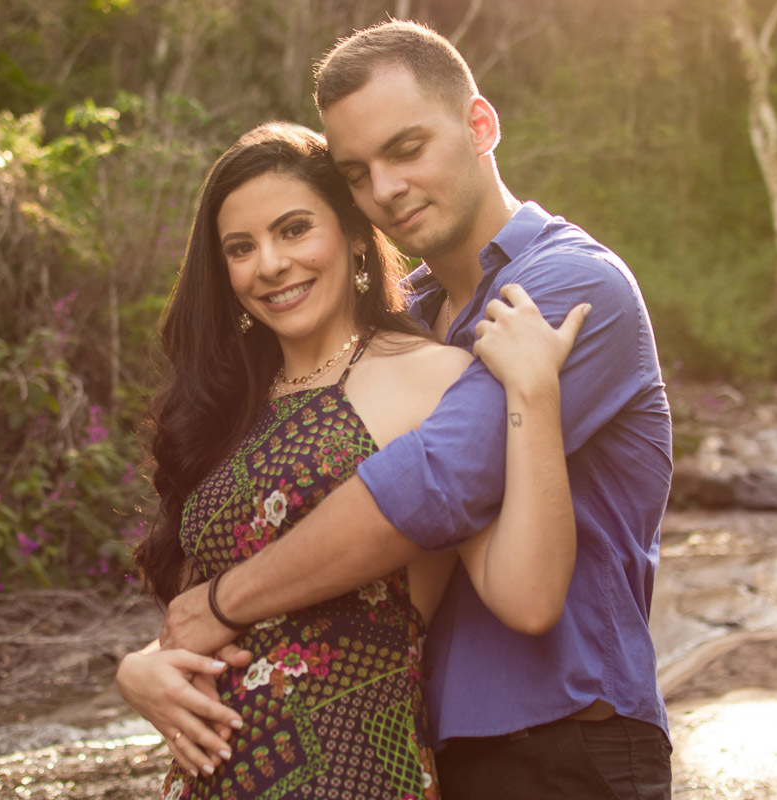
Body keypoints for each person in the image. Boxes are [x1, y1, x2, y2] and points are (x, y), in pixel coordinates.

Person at [155, 20, 674, 800]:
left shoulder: (567, 287)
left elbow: (430, 487)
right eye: (358, 173)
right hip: (430, 743)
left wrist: (222, 604)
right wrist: (150, 662)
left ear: (480, 125)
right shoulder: (407, 322)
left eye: (407, 150)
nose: (385, 191)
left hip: (567, 737)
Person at [118, 120, 587, 798]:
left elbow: (529, 596)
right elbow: (199, 613)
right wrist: (139, 670)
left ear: (351, 233)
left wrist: (535, 394)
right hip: (206, 780)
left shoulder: (438, 378)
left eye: (294, 229)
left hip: (354, 773)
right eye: (241, 248)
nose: (271, 264)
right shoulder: (228, 409)